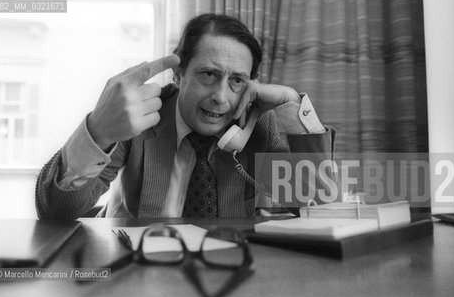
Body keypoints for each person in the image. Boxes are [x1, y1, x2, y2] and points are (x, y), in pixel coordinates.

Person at [35, 13, 336, 219]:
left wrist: (296, 111)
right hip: (135, 268)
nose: (221, 95)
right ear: (179, 76)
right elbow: (54, 210)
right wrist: (98, 132)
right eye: (208, 74)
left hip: (227, 271)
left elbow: (319, 208)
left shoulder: (258, 125)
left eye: (236, 80)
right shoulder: (141, 119)